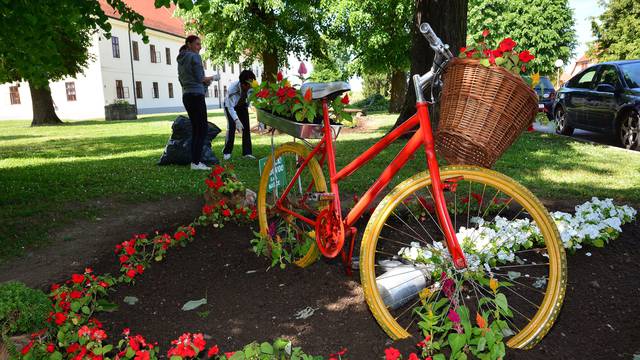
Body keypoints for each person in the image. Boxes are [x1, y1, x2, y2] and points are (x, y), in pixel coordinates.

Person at [177, 35, 215, 170]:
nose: (200, 47)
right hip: (196, 96)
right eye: (197, 44)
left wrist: (203, 83)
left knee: (196, 128)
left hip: (186, 95)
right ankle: (196, 162)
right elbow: (200, 78)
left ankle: (195, 161)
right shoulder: (194, 57)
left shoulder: (180, 60)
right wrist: (213, 78)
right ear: (189, 44)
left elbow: (182, 80)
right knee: (202, 128)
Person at [223, 70, 256, 160]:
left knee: (246, 127)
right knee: (231, 127)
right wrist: (236, 120)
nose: (250, 87)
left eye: (251, 83)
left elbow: (253, 101)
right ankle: (227, 152)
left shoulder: (253, 87)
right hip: (230, 106)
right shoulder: (232, 89)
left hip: (242, 105)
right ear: (242, 84)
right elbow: (230, 107)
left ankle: (247, 153)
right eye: (248, 85)